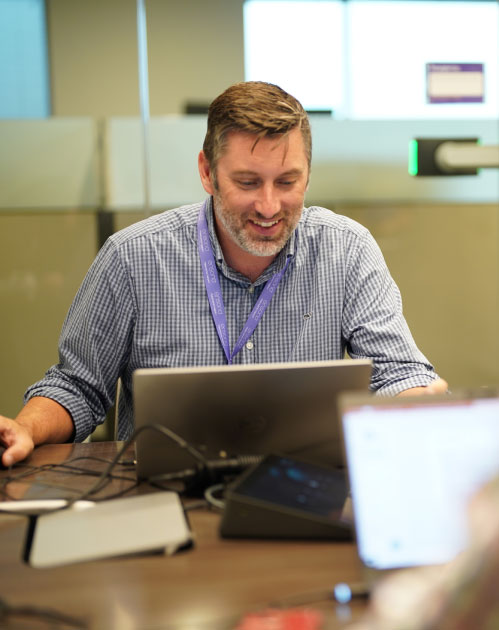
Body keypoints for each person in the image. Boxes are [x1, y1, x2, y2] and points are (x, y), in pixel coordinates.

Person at [0, 81, 447, 467]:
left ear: (308, 175)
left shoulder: (345, 250)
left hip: (304, 488)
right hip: (166, 498)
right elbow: (77, 384)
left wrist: (413, 404)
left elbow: (398, 374)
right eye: (248, 182)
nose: (269, 206)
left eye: (287, 182)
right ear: (207, 173)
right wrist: (26, 429)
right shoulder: (134, 258)